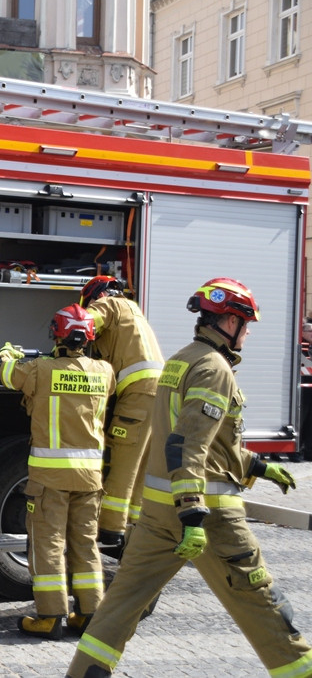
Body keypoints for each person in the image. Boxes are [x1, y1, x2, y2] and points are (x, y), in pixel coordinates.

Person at [66, 278, 312, 678]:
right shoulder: (214, 369)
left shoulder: (180, 359)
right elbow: (188, 445)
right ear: (229, 321)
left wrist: (256, 466)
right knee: (260, 602)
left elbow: (195, 439)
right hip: (208, 515)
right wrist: (193, 513)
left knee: (120, 606)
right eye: (246, 324)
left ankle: (83, 673)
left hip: (156, 517)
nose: (247, 333)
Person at [0, 304, 115, 640]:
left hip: (50, 480)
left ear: (57, 335)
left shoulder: (40, 369)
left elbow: (2, 371)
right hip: (90, 479)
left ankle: (49, 617)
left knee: (48, 544)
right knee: (85, 544)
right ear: (89, 337)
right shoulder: (104, 371)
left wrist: (8, 351)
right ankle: (90, 614)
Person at [79, 276, 164, 556]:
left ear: (96, 296)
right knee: (139, 467)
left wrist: (61, 350)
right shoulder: (133, 310)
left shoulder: (109, 305)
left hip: (138, 395)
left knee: (122, 463)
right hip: (156, 396)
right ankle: (131, 529)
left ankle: (111, 531)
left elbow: (84, 323)